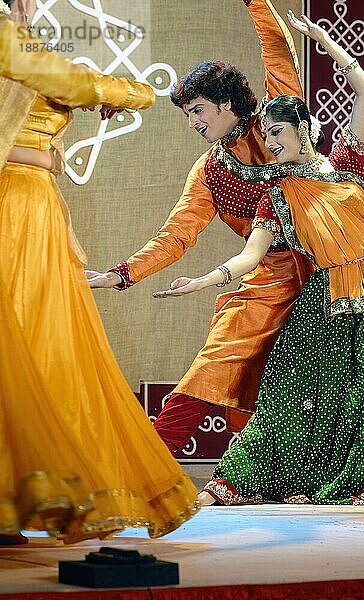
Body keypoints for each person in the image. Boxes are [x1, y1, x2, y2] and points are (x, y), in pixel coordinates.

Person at [153, 12, 364, 506]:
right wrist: (202, 281)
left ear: (304, 130)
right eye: (268, 137)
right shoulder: (274, 193)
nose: (271, 145)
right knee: (283, 394)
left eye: (279, 134)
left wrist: (324, 41)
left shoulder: (346, 161)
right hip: (321, 299)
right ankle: (234, 482)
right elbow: (248, 255)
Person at [0, 0, 198, 545]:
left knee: (40, 348)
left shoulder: (20, 46)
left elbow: (56, 85)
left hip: (33, 207)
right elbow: (69, 80)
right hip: (14, 209)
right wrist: (135, 93)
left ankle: (24, 493)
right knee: (21, 342)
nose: (34, 5)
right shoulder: (7, 40)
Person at [86, 0, 314, 453]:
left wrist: (255, 3)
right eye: (187, 113)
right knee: (222, 357)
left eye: (199, 111)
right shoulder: (209, 170)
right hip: (271, 276)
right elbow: (177, 234)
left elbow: (277, 51)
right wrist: (121, 274)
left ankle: (299, 473)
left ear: (227, 105)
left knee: (331, 381)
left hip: (329, 274)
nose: (192, 123)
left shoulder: (274, 127)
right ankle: (152, 461)